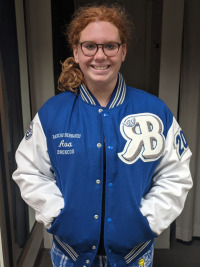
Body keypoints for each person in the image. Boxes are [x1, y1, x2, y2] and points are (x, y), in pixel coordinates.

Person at [13, 4, 193, 267]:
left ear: (123, 51)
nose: (100, 56)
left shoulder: (155, 111)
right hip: (70, 255)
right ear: (76, 51)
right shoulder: (52, 113)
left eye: (110, 45)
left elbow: (175, 174)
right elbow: (30, 172)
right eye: (90, 46)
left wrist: (147, 221)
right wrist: (58, 216)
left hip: (134, 255)